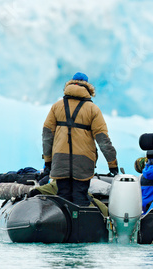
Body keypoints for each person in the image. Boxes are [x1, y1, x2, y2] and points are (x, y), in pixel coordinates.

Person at [42, 72, 119, 206]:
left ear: (70, 83)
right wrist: (112, 164)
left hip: (60, 160)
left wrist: (48, 161)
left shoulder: (57, 106)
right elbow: (103, 140)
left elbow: (47, 135)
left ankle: (62, 225)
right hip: (83, 163)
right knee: (80, 198)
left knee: (62, 198)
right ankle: (80, 224)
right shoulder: (93, 109)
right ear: (88, 87)